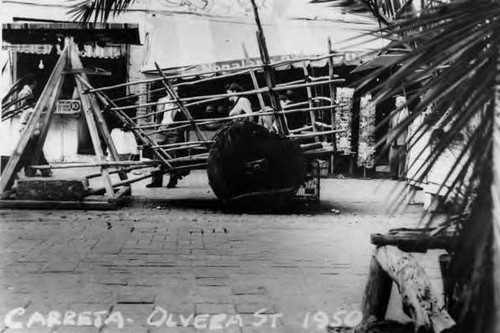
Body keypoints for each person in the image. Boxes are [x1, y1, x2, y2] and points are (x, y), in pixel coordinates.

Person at [146, 87, 188, 188]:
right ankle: (156, 180)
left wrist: (179, 130)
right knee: (157, 154)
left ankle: (172, 180)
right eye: (172, 90)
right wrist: (158, 127)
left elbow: (186, 119)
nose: (175, 92)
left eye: (177, 91)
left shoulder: (181, 102)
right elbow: (158, 116)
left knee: (172, 155)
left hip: (174, 129)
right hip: (162, 129)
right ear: (167, 91)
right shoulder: (161, 101)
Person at [18, 78, 52, 177]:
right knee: (33, 151)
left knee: (33, 151)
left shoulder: (27, 111)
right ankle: (44, 171)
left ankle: (32, 171)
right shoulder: (29, 111)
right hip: (28, 132)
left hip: (27, 131)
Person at [388, 95, 410, 180]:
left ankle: (401, 175)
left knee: (402, 158)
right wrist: (389, 139)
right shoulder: (393, 113)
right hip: (393, 138)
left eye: (400, 103)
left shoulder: (407, 113)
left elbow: (409, 125)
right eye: (397, 103)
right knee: (392, 157)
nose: (397, 104)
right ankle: (393, 174)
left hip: (403, 137)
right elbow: (390, 127)